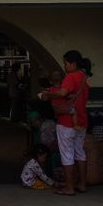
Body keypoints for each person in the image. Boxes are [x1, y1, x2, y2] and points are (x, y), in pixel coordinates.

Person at [38, 50, 90, 195]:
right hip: (81, 121)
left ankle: (69, 187)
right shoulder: (84, 77)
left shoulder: (71, 76)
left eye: (66, 63)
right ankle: (82, 185)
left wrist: (47, 93)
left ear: (73, 63)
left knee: (67, 154)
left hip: (66, 122)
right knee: (80, 152)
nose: (65, 66)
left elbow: (62, 93)